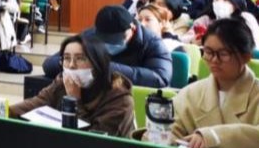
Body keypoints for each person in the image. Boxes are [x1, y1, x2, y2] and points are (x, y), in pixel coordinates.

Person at [168, 19, 259, 148]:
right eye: (208, 52)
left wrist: (213, 137)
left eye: (223, 53)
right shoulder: (189, 94)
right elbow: (169, 133)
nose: (214, 60)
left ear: (246, 57)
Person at [9, 33, 136, 138]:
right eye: (66, 58)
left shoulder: (120, 100)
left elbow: (93, 143)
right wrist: (4, 111)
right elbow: (34, 104)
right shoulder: (61, 83)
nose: (71, 65)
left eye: (80, 58)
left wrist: (75, 100)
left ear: (98, 63)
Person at [43, 5, 172, 88]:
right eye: (106, 40)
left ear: (132, 28)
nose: (111, 44)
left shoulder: (152, 43)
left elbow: (160, 78)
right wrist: (73, 63)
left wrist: (104, 67)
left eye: (117, 39)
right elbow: (49, 64)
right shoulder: (89, 36)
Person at [181, 0, 259, 45]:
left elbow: (254, 43)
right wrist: (192, 40)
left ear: (236, 3)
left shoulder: (246, 18)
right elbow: (183, 39)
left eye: (225, 0)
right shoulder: (205, 19)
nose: (219, 3)